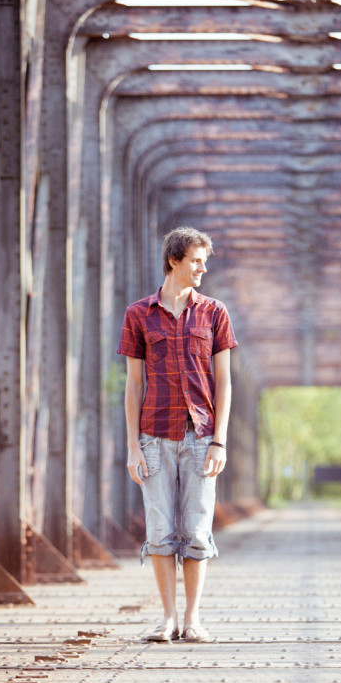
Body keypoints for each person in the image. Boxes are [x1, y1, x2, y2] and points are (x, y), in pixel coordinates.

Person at [117, 227, 237, 643]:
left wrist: (220, 439)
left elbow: (223, 382)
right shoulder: (138, 315)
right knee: (160, 531)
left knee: (198, 531)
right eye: (196, 261)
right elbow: (133, 385)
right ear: (174, 261)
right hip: (153, 436)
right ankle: (168, 619)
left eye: (205, 261)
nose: (203, 268)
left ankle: (193, 618)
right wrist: (132, 446)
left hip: (201, 437)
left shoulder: (215, 313)